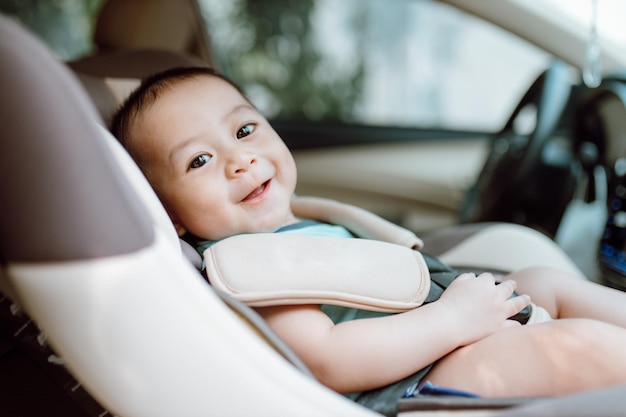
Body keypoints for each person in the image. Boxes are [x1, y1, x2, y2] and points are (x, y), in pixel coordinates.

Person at [111, 66, 626, 415]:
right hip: (409, 386)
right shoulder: (247, 268)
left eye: (244, 130)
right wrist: (451, 320)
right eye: (198, 161)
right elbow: (327, 359)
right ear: (170, 215)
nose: (239, 159)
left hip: (439, 337)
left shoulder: (299, 227)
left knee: (541, 281)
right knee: (574, 349)